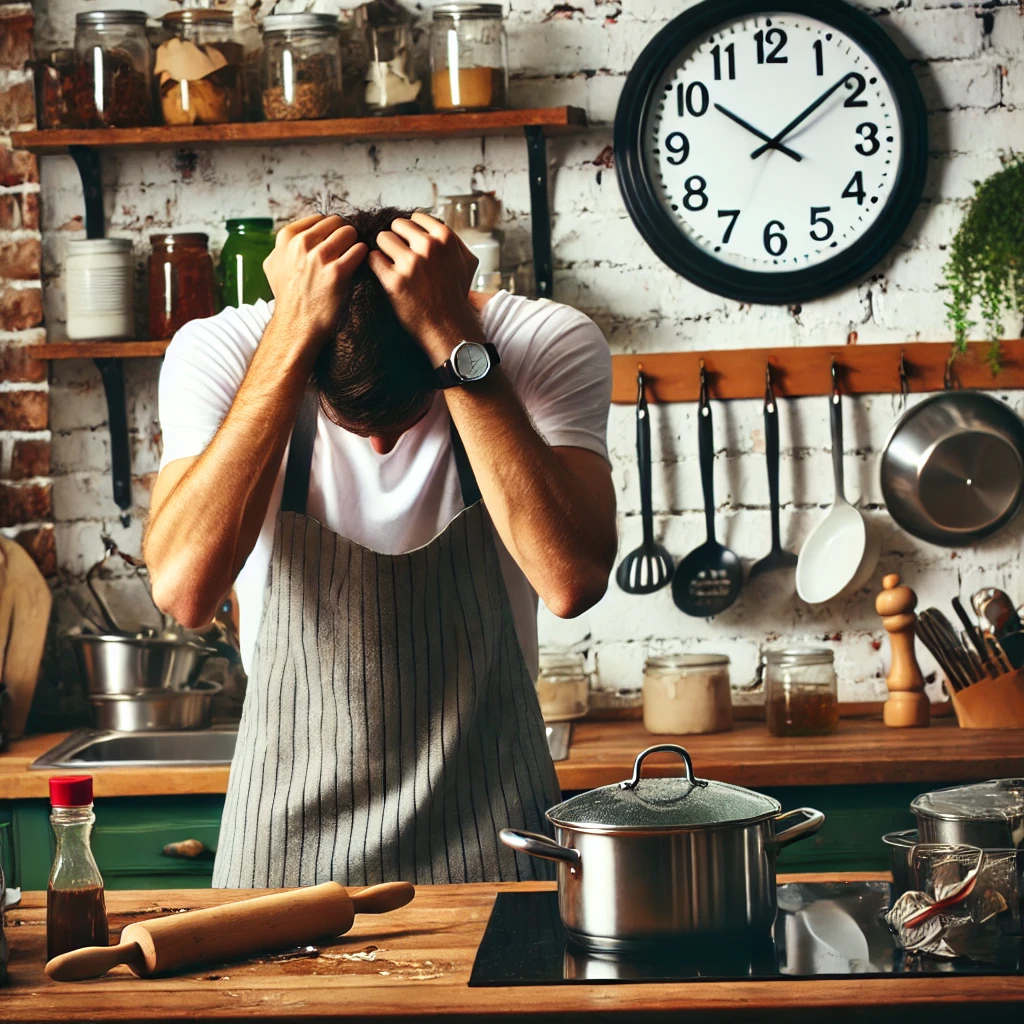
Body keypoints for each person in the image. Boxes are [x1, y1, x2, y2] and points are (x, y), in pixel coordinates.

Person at [144, 208, 617, 888]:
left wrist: (453, 339)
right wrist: (289, 335)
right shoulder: (223, 349)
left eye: (402, 419)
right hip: (283, 838)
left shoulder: (541, 341)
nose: (378, 447)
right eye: (349, 420)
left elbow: (572, 580)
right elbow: (186, 591)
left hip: (494, 821)